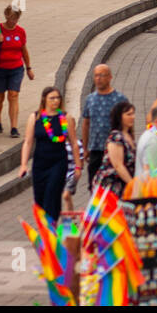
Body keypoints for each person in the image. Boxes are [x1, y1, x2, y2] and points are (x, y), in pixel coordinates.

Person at [19, 87, 80, 225]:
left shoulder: (66, 118)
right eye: (52, 98)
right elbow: (28, 142)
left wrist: (78, 166)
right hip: (40, 163)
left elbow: (74, 143)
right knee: (40, 197)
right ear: (44, 99)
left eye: (58, 98)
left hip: (58, 162)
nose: (55, 101)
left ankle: (50, 226)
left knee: (52, 194)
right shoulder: (35, 117)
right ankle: (43, 226)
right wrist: (23, 165)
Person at [0, 5, 33, 139]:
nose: (13, 21)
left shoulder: (20, 31)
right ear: (6, 16)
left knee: (13, 95)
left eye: (16, 18)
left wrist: (28, 67)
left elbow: (24, 50)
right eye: (11, 18)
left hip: (16, 68)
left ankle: (14, 126)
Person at [79, 64, 128, 190]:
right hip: (96, 150)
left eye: (102, 75)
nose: (98, 78)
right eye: (96, 75)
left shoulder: (120, 99)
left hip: (116, 150)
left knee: (115, 187)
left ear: (110, 77)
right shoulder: (90, 99)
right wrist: (85, 148)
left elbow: (127, 126)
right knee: (94, 188)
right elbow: (86, 123)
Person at [91, 100, 136, 197]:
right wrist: (133, 185)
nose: (133, 117)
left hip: (123, 184)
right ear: (120, 117)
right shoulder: (116, 137)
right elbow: (118, 165)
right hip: (111, 185)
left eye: (133, 114)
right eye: (129, 114)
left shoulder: (129, 137)